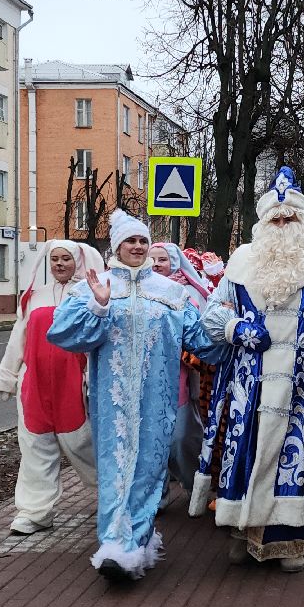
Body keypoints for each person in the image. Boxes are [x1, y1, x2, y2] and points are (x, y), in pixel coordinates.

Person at [191, 168, 304, 573]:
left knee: (298, 458)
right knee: (248, 453)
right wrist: (235, 328)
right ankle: (244, 529)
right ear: (262, 223)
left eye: (290, 217)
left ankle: (292, 538)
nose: (282, 224)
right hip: (250, 385)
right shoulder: (241, 263)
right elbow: (211, 312)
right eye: (275, 218)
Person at [47, 211, 224, 581]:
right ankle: (114, 544)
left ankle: (136, 542)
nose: (139, 247)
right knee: (114, 471)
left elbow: (202, 341)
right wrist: (99, 307)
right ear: (117, 246)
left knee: (147, 470)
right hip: (112, 404)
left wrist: (234, 327)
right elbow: (63, 333)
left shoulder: (171, 294)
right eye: (131, 241)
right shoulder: (93, 286)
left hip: (157, 403)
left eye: (143, 241)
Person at [0, 240, 101, 535]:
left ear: (79, 261)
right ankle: (35, 512)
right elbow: (19, 338)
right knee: (36, 448)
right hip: (35, 386)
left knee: (83, 444)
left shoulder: (91, 295)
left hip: (74, 386)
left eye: (66, 259)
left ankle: (114, 496)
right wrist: (8, 375)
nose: (60, 264)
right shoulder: (34, 298)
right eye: (55, 260)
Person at [150, 242, 215, 509]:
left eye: (162, 259)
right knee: (151, 442)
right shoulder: (139, 289)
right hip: (147, 378)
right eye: (151, 259)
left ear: (174, 263)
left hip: (180, 375)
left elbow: (199, 335)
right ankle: (157, 497)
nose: (155, 264)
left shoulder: (187, 292)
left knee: (182, 437)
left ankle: (194, 486)